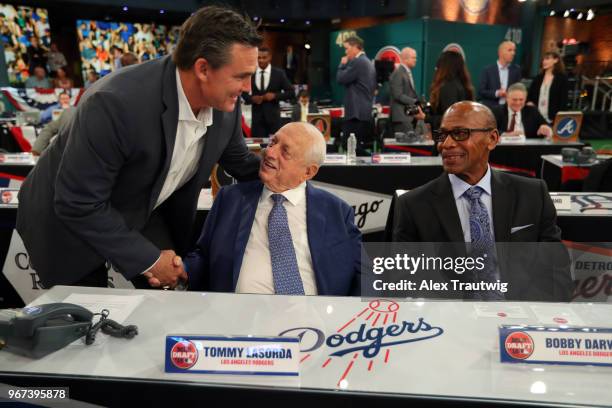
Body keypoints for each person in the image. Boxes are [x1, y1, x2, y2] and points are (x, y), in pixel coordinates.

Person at [17, 6, 262, 290]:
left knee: (170, 297)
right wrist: (149, 259)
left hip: (139, 206)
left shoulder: (225, 106)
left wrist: (282, 164)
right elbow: (77, 202)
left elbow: (240, 163)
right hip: (66, 220)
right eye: (241, 76)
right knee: (85, 321)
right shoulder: (115, 103)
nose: (248, 87)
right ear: (203, 68)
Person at [392, 101, 572, 301]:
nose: (446, 144)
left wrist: (521, 316)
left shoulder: (532, 194)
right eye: (442, 134)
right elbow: (404, 283)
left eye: (460, 133)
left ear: (492, 139)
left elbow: (557, 276)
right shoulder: (413, 205)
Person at [183, 122, 361, 295]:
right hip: (239, 316)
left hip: (313, 318)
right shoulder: (230, 199)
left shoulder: (337, 211)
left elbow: (365, 272)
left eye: (285, 151)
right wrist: (181, 271)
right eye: (273, 142)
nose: (269, 152)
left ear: (308, 172)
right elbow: (203, 256)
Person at [242, 47, 294, 138]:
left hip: (274, 120)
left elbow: (291, 92)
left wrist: (275, 96)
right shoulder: (251, 73)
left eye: (264, 57)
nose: (261, 60)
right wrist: (251, 99)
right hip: (257, 120)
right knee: (257, 149)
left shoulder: (279, 73)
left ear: (269, 57)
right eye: (259, 58)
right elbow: (242, 92)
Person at [336, 36, 376, 153]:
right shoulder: (367, 61)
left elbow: (341, 79)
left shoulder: (358, 62)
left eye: (347, 48)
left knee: (349, 146)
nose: (345, 52)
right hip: (363, 112)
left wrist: (342, 65)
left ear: (355, 47)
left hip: (356, 113)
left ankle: (372, 165)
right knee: (355, 147)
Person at [426, 50, 474, 133]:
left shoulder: (448, 87)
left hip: (447, 138)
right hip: (459, 136)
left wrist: (425, 117)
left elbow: (450, 119)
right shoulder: (461, 85)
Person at [389, 47, 425, 135]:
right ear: (405, 58)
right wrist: (415, 101)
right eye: (413, 57)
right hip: (402, 117)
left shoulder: (406, 72)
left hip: (408, 116)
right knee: (404, 146)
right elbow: (398, 95)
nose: (416, 60)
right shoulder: (398, 73)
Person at [527, 50, 569, 124]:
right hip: (536, 118)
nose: (544, 61)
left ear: (556, 60)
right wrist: (530, 103)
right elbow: (529, 97)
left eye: (547, 58)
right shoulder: (538, 78)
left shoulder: (562, 79)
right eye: (543, 59)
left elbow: (563, 102)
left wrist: (559, 120)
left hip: (553, 119)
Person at [478, 41, 521, 108]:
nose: (513, 53)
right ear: (500, 52)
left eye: (514, 50)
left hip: (508, 109)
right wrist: (497, 93)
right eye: (510, 50)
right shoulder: (487, 70)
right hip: (491, 109)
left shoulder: (516, 71)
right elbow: (481, 91)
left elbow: (518, 90)